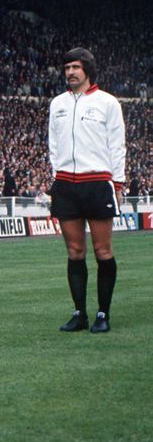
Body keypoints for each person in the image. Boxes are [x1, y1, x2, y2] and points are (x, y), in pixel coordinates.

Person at [48, 48, 126, 333]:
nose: (70, 72)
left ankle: (103, 313)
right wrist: (56, 178)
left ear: (87, 70)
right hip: (67, 184)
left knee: (103, 250)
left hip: (97, 182)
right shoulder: (57, 103)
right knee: (74, 250)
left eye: (75, 67)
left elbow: (117, 146)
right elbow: (53, 144)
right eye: (67, 67)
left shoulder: (107, 102)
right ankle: (79, 313)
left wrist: (117, 183)